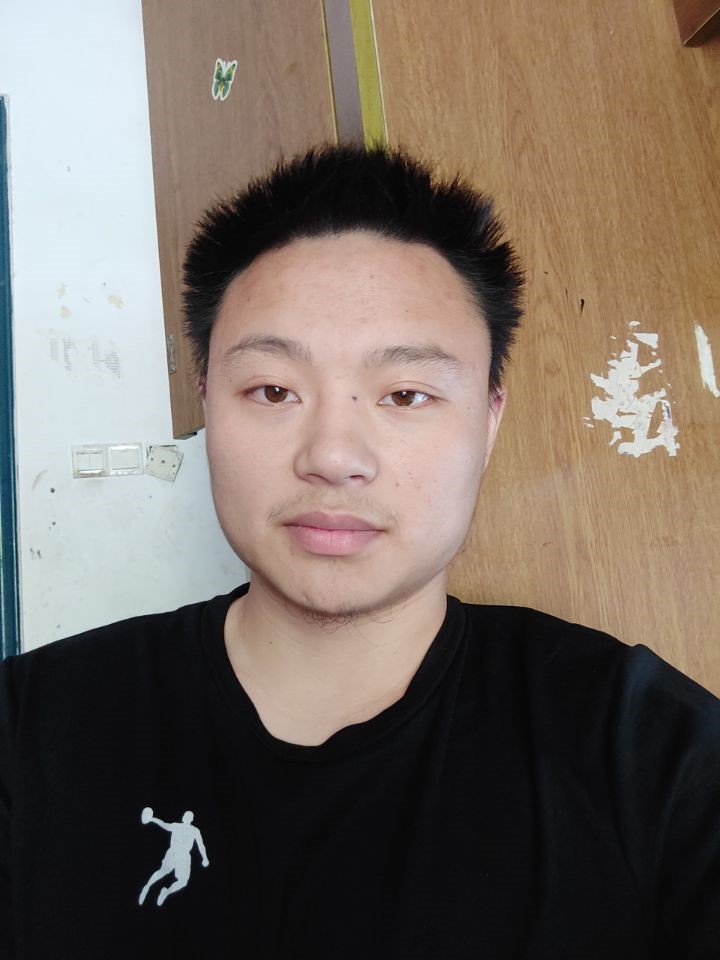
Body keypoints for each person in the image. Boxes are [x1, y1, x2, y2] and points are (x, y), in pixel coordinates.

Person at [1, 144, 719, 959]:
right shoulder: (32, 732)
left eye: (405, 394)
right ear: (207, 404)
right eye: (274, 390)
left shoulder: (649, 753)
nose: (334, 455)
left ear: (489, 421)